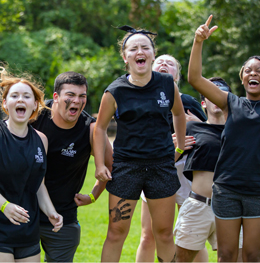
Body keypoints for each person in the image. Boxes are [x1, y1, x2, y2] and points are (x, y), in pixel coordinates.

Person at [188, 16, 260, 262]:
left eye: (259, 71)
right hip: (226, 189)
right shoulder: (230, 103)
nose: (253, 73)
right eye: (248, 70)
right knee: (226, 255)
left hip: (259, 192)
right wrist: (198, 42)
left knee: (252, 256)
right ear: (242, 79)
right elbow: (195, 79)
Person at [93, 26, 186, 262]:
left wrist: (180, 147)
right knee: (116, 233)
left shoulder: (167, 84)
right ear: (125, 57)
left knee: (164, 233)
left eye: (145, 47)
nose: (139, 51)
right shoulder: (114, 91)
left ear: (153, 55)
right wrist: (99, 165)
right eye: (133, 48)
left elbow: (178, 114)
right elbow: (100, 127)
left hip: (161, 167)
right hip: (126, 167)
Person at [31, 71, 113, 262]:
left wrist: (93, 196)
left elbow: (111, 165)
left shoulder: (91, 129)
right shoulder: (35, 116)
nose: (76, 100)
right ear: (56, 97)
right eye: (70, 95)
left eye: (82, 96)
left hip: (64, 218)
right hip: (26, 213)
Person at [136, 54, 207, 262]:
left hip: (185, 170)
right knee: (148, 235)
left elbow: (210, 135)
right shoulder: (138, 100)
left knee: (191, 236)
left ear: (177, 76)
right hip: (154, 169)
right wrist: (169, 143)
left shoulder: (186, 101)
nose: (164, 64)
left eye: (171, 64)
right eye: (160, 62)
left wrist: (198, 124)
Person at [174, 77, 244, 262]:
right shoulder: (192, 127)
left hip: (231, 208)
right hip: (198, 205)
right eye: (212, 93)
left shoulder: (241, 131)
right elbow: (167, 164)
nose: (217, 97)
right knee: (181, 260)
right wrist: (175, 148)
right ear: (204, 103)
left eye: (221, 93)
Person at [0, 67, 63, 262]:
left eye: (26, 96)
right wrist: (4, 206)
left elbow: (38, 184)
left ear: (35, 104)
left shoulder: (41, 140)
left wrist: (51, 211)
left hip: (27, 230)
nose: (20, 100)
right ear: (5, 103)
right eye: (14, 96)